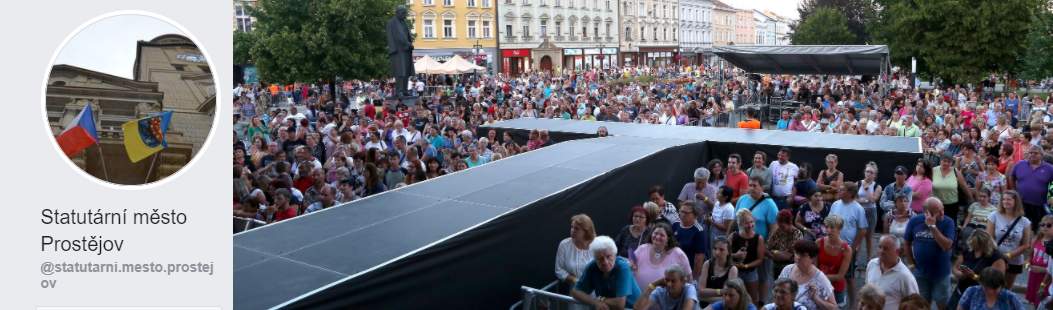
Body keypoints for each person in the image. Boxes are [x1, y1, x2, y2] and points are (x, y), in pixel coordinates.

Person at [731, 175, 779, 306]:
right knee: (742, 275)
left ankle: (761, 302)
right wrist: (727, 237)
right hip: (741, 244)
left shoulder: (769, 204)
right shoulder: (742, 199)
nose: (751, 188)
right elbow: (735, 221)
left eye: (755, 186)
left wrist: (766, 248)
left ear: (762, 187)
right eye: (750, 185)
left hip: (760, 245)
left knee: (763, 276)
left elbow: (774, 229)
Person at [904, 198, 956, 310]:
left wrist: (932, 227)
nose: (942, 213)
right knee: (922, 304)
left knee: (943, 304)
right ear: (927, 212)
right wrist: (912, 264)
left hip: (941, 272)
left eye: (942, 209)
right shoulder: (914, 221)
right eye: (938, 211)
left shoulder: (948, 222)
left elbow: (946, 246)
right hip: (920, 271)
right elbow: (906, 243)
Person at [572, 236, 643, 310]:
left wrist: (601, 299)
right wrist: (595, 302)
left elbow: (620, 304)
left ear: (615, 255)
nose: (605, 262)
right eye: (600, 258)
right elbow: (576, 291)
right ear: (595, 259)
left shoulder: (622, 267)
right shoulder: (592, 267)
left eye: (608, 256)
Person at [948, 229, 1007, 309]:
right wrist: (958, 274)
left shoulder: (996, 257)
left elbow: (995, 282)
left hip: (983, 295)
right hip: (961, 292)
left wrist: (973, 276)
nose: (974, 248)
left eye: (977, 246)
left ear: (985, 244)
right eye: (972, 245)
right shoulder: (968, 251)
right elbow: (955, 266)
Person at [986, 190, 1032, 290]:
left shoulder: (1024, 221)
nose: (1005, 201)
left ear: (1016, 202)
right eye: (1004, 199)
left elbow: (1025, 245)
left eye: (1009, 199)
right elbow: (989, 239)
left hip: (1014, 260)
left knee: (1006, 289)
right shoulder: (994, 215)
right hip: (996, 257)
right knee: (992, 287)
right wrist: (999, 256)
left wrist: (1008, 256)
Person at [777, 239, 838, 310]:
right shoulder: (787, 270)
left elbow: (834, 307)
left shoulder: (820, 279)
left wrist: (815, 298)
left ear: (812, 259)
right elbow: (776, 294)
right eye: (796, 253)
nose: (798, 257)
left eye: (802, 255)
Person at [632, 223, 692, 294]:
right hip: (638, 300)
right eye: (655, 233)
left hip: (666, 302)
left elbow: (688, 277)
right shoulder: (641, 249)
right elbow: (630, 265)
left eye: (662, 235)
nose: (657, 237)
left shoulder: (678, 254)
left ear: (668, 239)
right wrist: (631, 265)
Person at [866, 235, 920, 310]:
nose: (881, 251)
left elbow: (915, 304)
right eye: (880, 247)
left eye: (886, 248)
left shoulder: (905, 276)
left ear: (897, 251)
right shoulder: (872, 264)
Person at [1009, 144, 1053, 232]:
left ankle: (1036, 245)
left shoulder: (1049, 168)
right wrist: (1014, 191)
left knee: (1038, 229)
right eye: (1030, 152)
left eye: (1036, 153)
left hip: (1039, 204)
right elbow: (1012, 177)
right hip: (1021, 203)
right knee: (1019, 227)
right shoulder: (1020, 164)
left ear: (1041, 155)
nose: (1032, 154)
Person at [729, 209, 767, 308]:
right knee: (735, 299)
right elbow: (723, 253)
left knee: (752, 300)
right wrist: (735, 255)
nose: (750, 225)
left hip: (751, 272)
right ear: (740, 224)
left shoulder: (758, 238)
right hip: (735, 272)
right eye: (746, 223)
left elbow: (759, 259)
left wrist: (745, 266)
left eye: (751, 222)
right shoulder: (734, 236)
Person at [815, 214, 853, 308]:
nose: (828, 230)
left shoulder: (846, 249)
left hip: (836, 288)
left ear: (839, 229)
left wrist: (818, 277)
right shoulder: (819, 242)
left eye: (832, 227)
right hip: (819, 287)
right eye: (826, 227)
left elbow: (840, 277)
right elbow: (814, 266)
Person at [633, 264, 701, 310]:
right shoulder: (660, 291)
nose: (669, 284)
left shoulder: (689, 289)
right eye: (667, 280)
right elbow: (637, 308)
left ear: (683, 282)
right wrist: (652, 285)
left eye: (673, 281)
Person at [697, 236, 740, 308]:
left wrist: (705, 298)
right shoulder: (707, 264)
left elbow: (728, 298)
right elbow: (701, 291)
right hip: (703, 306)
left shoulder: (732, 270)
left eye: (721, 249)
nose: (717, 252)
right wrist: (721, 291)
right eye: (715, 249)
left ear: (728, 252)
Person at [955, 267, 1026, 310]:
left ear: (1001, 285)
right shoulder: (971, 291)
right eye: (986, 287)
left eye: (995, 288)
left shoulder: (1011, 297)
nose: (990, 291)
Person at [556, 214, 596, 286]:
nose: (572, 230)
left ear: (586, 231)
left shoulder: (598, 246)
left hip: (597, 293)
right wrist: (575, 280)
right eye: (572, 227)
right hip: (575, 292)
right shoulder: (564, 245)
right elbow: (559, 270)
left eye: (576, 228)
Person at [932, 153, 973, 225]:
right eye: (944, 161)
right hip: (935, 203)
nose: (946, 163)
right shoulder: (933, 170)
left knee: (950, 224)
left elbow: (964, 185)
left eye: (949, 161)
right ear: (940, 160)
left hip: (951, 204)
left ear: (951, 162)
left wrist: (971, 198)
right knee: (935, 223)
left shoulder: (956, 171)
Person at [674, 201, 709, 280]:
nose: (682, 215)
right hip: (674, 268)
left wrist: (694, 279)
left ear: (694, 215)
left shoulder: (699, 231)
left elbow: (699, 257)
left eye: (686, 213)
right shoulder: (675, 225)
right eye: (681, 212)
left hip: (688, 270)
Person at [857, 162, 884, 262]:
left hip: (870, 213)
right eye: (867, 172)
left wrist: (867, 187)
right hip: (860, 211)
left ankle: (869, 260)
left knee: (869, 237)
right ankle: (856, 259)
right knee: (858, 237)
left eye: (871, 172)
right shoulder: (858, 183)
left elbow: (873, 199)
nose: (869, 174)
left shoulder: (877, 186)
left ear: (875, 175)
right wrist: (864, 201)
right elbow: (853, 198)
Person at [766, 210, 802, 275]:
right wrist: (778, 255)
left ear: (790, 223)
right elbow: (766, 249)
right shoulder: (777, 231)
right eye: (778, 225)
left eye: (782, 226)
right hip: (776, 268)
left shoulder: (797, 235)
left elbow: (785, 256)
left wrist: (773, 251)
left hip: (790, 270)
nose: (779, 228)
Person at [1027, 215, 1053, 306]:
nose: (1045, 227)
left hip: (1047, 277)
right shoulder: (1036, 240)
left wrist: (1042, 269)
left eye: (1049, 225)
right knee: (1035, 300)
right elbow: (1030, 256)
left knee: (1045, 301)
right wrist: (1027, 262)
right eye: (1042, 224)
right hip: (1034, 274)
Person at [769, 148, 799, 212]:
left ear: (788, 157)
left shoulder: (794, 167)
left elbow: (799, 181)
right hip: (774, 199)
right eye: (779, 155)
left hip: (786, 200)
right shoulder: (773, 164)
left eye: (783, 156)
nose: (780, 157)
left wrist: (793, 195)